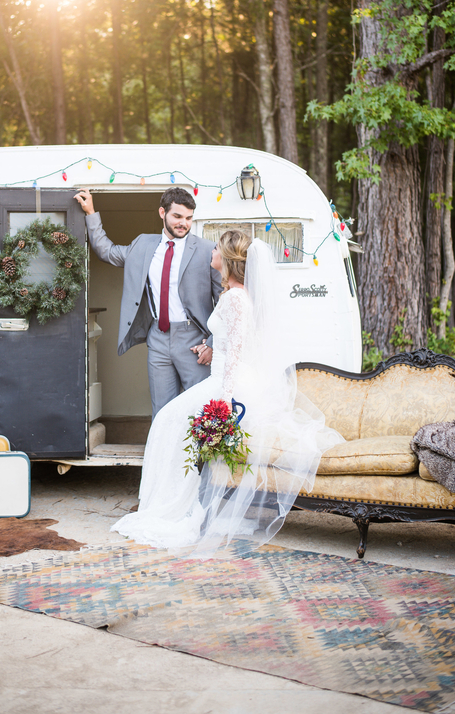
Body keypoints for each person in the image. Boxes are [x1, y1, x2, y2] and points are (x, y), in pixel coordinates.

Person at [111, 230, 344, 555]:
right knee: (168, 420)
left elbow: (235, 352)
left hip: (227, 383)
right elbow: (229, 342)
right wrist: (209, 348)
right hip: (220, 377)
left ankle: (175, 507)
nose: (211, 253)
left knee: (167, 420)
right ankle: (170, 503)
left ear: (229, 259)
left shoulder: (235, 298)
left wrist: (224, 401)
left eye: (216, 249)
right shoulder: (235, 293)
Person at [74, 187, 222, 418]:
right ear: (162, 212)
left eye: (189, 218)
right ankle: (162, 455)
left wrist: (213, 342)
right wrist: (91, 212)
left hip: (195, 341)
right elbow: (107, 252)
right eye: (177, 216)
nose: (184, 223)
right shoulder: (143, 245)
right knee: (162, 412)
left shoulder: (207, 250)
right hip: (158, 338)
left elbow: (224, 298)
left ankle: (199, 456)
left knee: (201, 410)